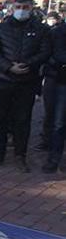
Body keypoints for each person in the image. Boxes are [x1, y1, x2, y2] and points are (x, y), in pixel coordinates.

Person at [0, 0, 51, 171]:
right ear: (12, 8)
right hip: (3, 80)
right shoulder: (1, 28)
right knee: (0, 119)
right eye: (18, 6)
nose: (21, 10)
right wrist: (8, 67)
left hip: (27, 81)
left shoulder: (41, 29)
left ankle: (20, 155)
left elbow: (45, 51)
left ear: (31, 8)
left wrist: (28, 64)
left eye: (25, 7)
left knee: (22, 120)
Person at [37, 11, 65, 151]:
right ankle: (48, 143)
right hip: (55, 77)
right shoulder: (56, 33)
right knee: (51, 114)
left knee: (59, 119)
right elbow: (46, 54)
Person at [46, 18, 66, 173]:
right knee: (58, 123)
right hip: (62, 81)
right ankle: (54, 158)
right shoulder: (58, 32)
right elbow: (55, 55)